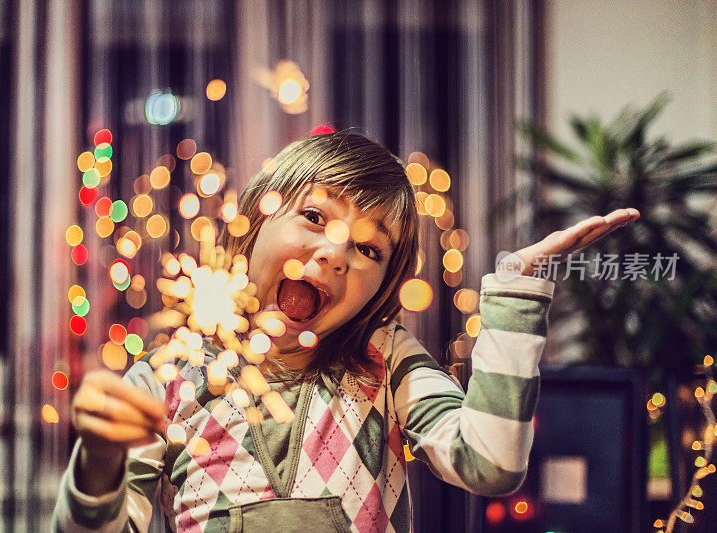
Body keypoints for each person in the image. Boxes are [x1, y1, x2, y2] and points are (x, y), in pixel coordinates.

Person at [53, 132, 639, 532]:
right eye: (313, 217)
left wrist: (515, 290)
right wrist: (99, 461)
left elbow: (489, 462)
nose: (336, 253)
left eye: (368, 248)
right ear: (257, 216)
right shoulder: (164, 380)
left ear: (383, 286)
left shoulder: (385, 362)